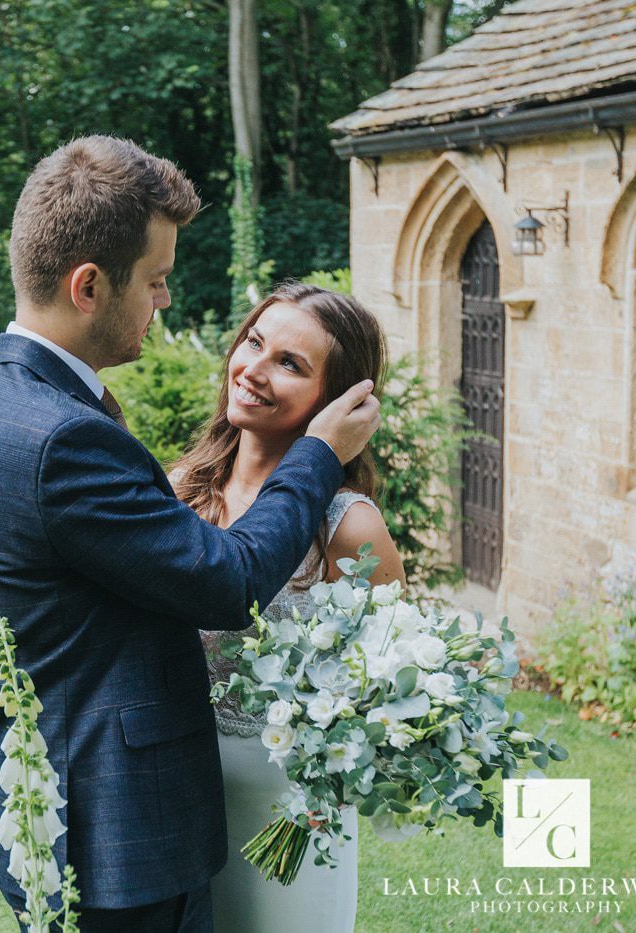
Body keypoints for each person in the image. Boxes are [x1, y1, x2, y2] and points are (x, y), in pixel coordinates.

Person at [0, 136, 381, 932]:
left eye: (290, 360)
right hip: (115, 836)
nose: (165, 301)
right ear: (89, 286)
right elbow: (227, 580)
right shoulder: (64, 439)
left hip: (117, 806)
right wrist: (322, 450)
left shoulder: (3, 401)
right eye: (155, 282)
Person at [172, 282, 406, 933]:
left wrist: (300, 827)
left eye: (290, 364)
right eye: (254, 342)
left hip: (290, 820)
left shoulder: (349, 530)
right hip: (175, 798)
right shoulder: (177, 494)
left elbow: (378, 701)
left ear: (337, 404)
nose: (253, 369)